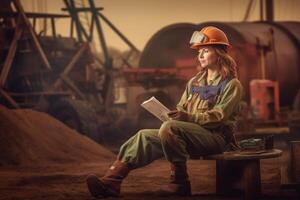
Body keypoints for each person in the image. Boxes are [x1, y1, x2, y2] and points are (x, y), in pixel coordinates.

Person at [86, 26, 243, 198]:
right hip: (191, 135)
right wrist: (175, 114)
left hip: (216, 138)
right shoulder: (194, 83)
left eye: (205, 51)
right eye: (199, 52)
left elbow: (218, 117)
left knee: (170, 128)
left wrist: (186, 118)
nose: (200, 55)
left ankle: (180, 184)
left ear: (220, 53)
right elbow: (183, 108)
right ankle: (111, 182)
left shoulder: (231, 85)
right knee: (144, 136)